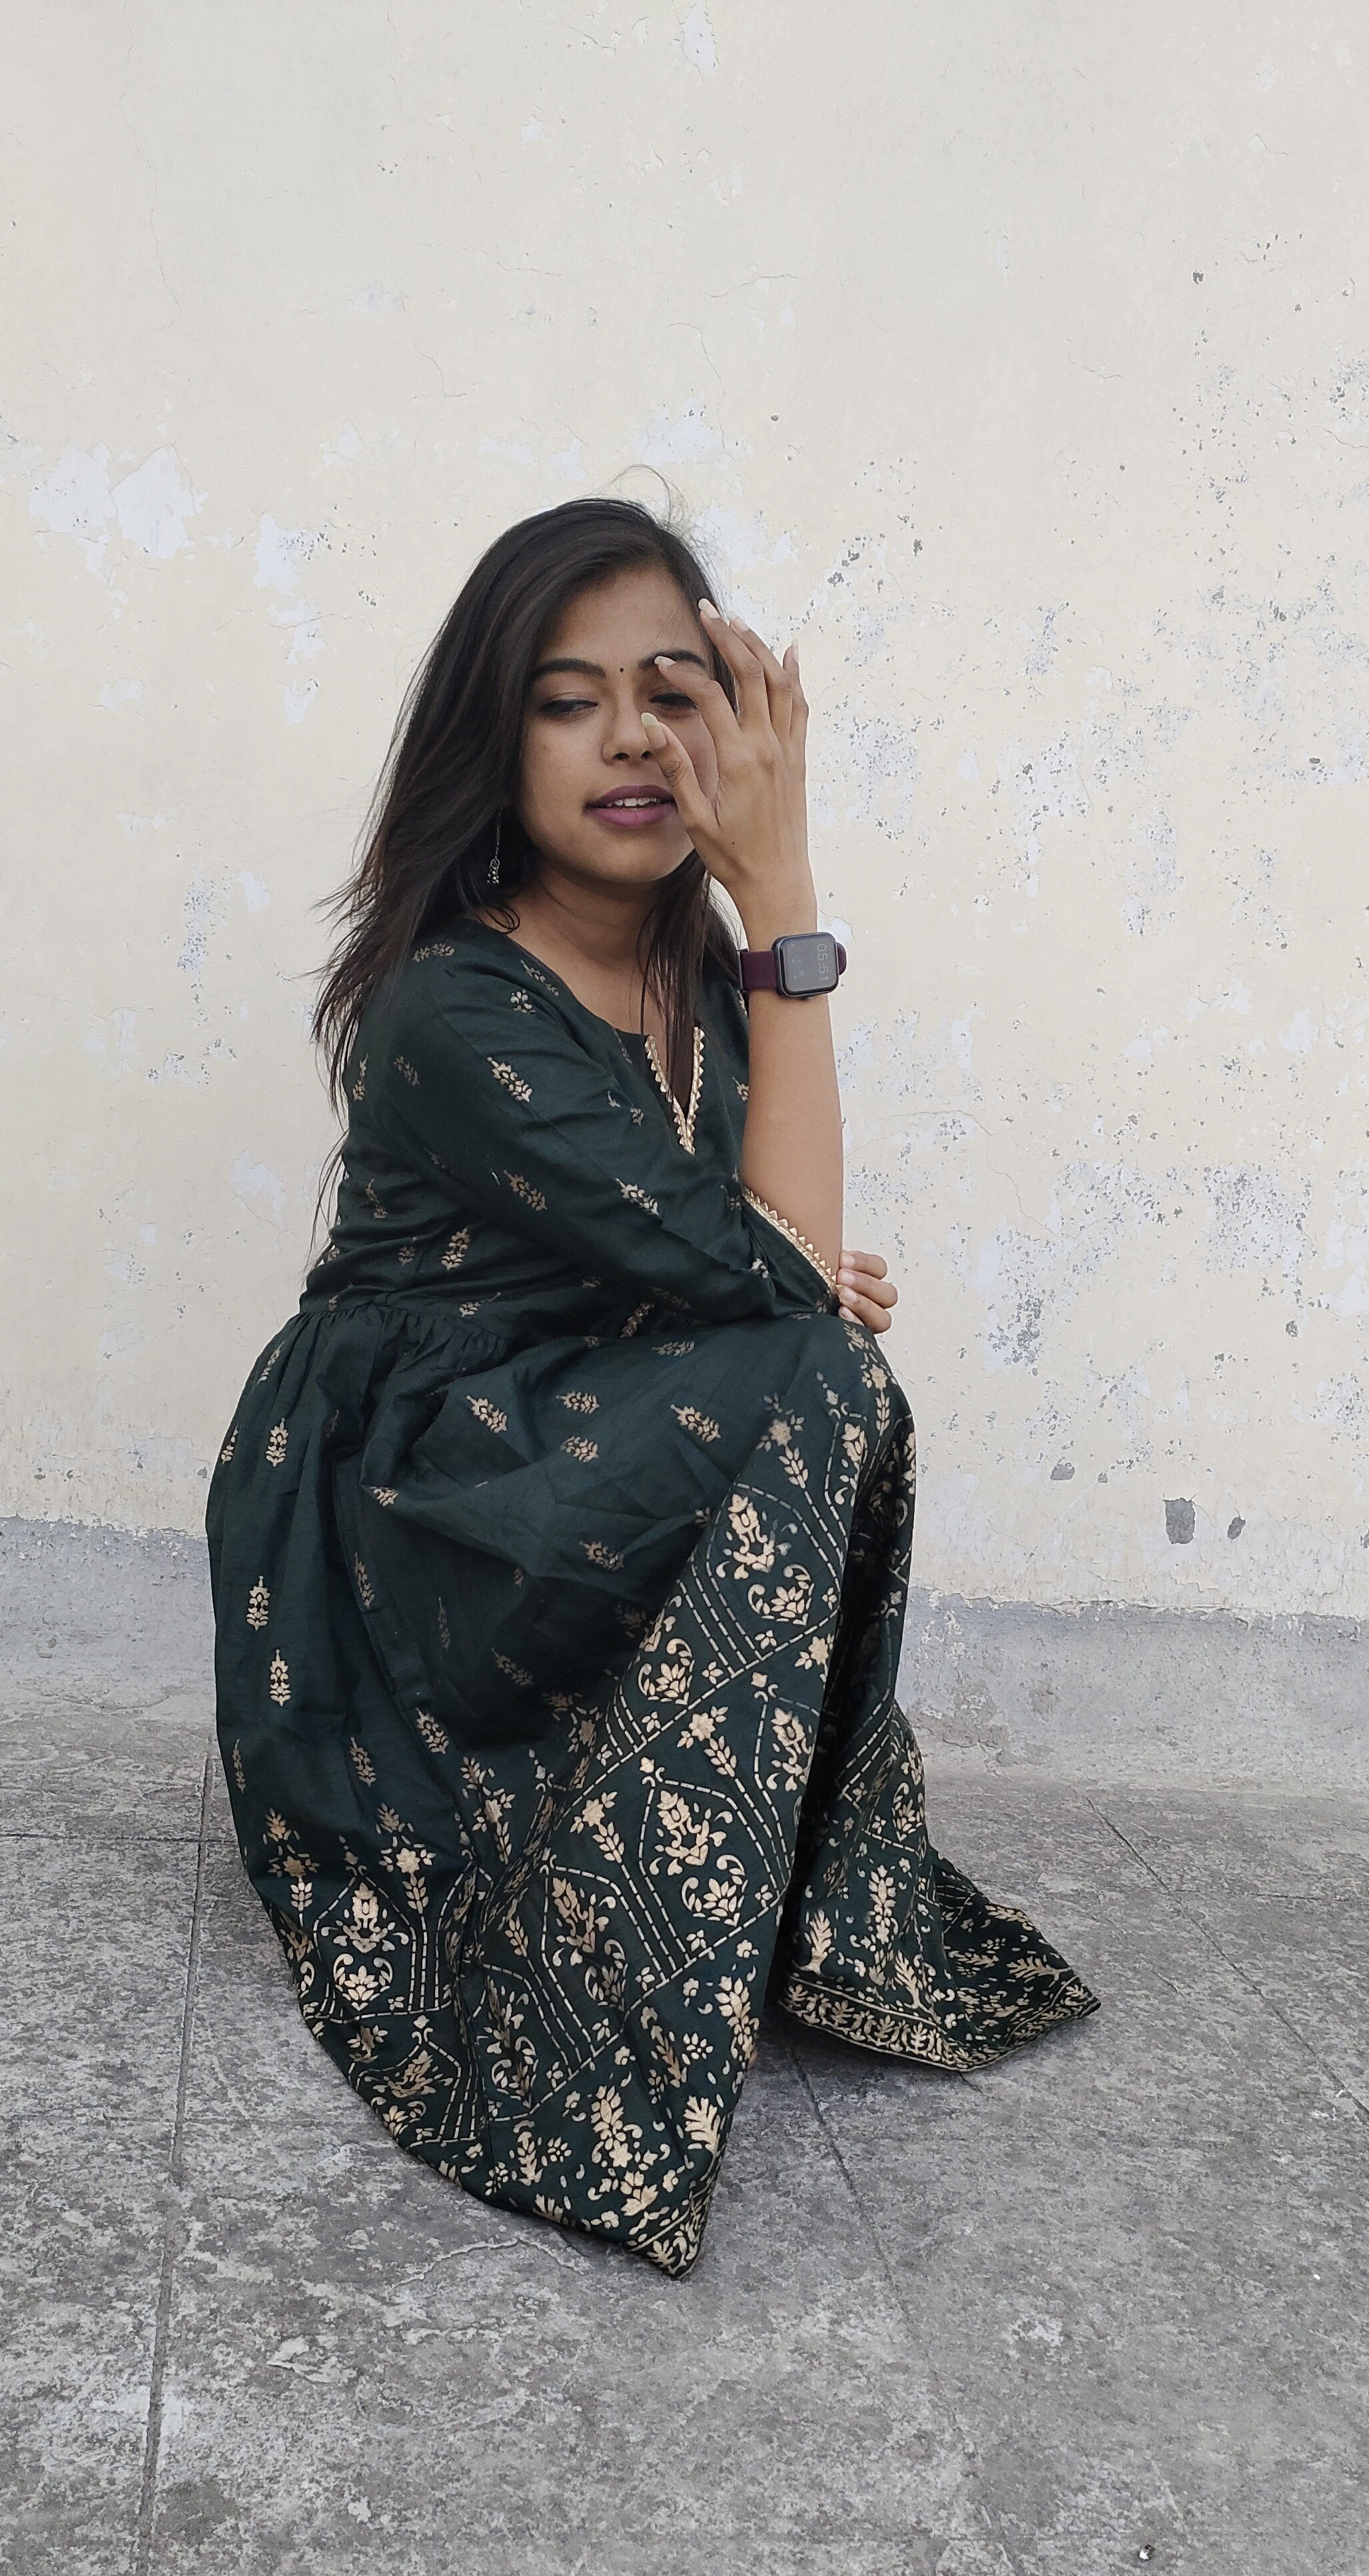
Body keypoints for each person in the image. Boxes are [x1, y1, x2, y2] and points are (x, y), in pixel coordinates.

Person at [207, 497, 1096, 2278]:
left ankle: (730, 1862)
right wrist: (789, 927)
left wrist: (771, 952)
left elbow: (776, 1276)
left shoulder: (701, 975)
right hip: (401, 1504)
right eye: (569, 700)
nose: (632, 737)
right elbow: (788, 1275)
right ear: (496, 739)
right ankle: (620, 1907)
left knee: (822, 1389)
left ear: (739, 728)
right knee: (816, 1382)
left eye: (675, 692)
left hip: (564, 1428)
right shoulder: (456, 1007)